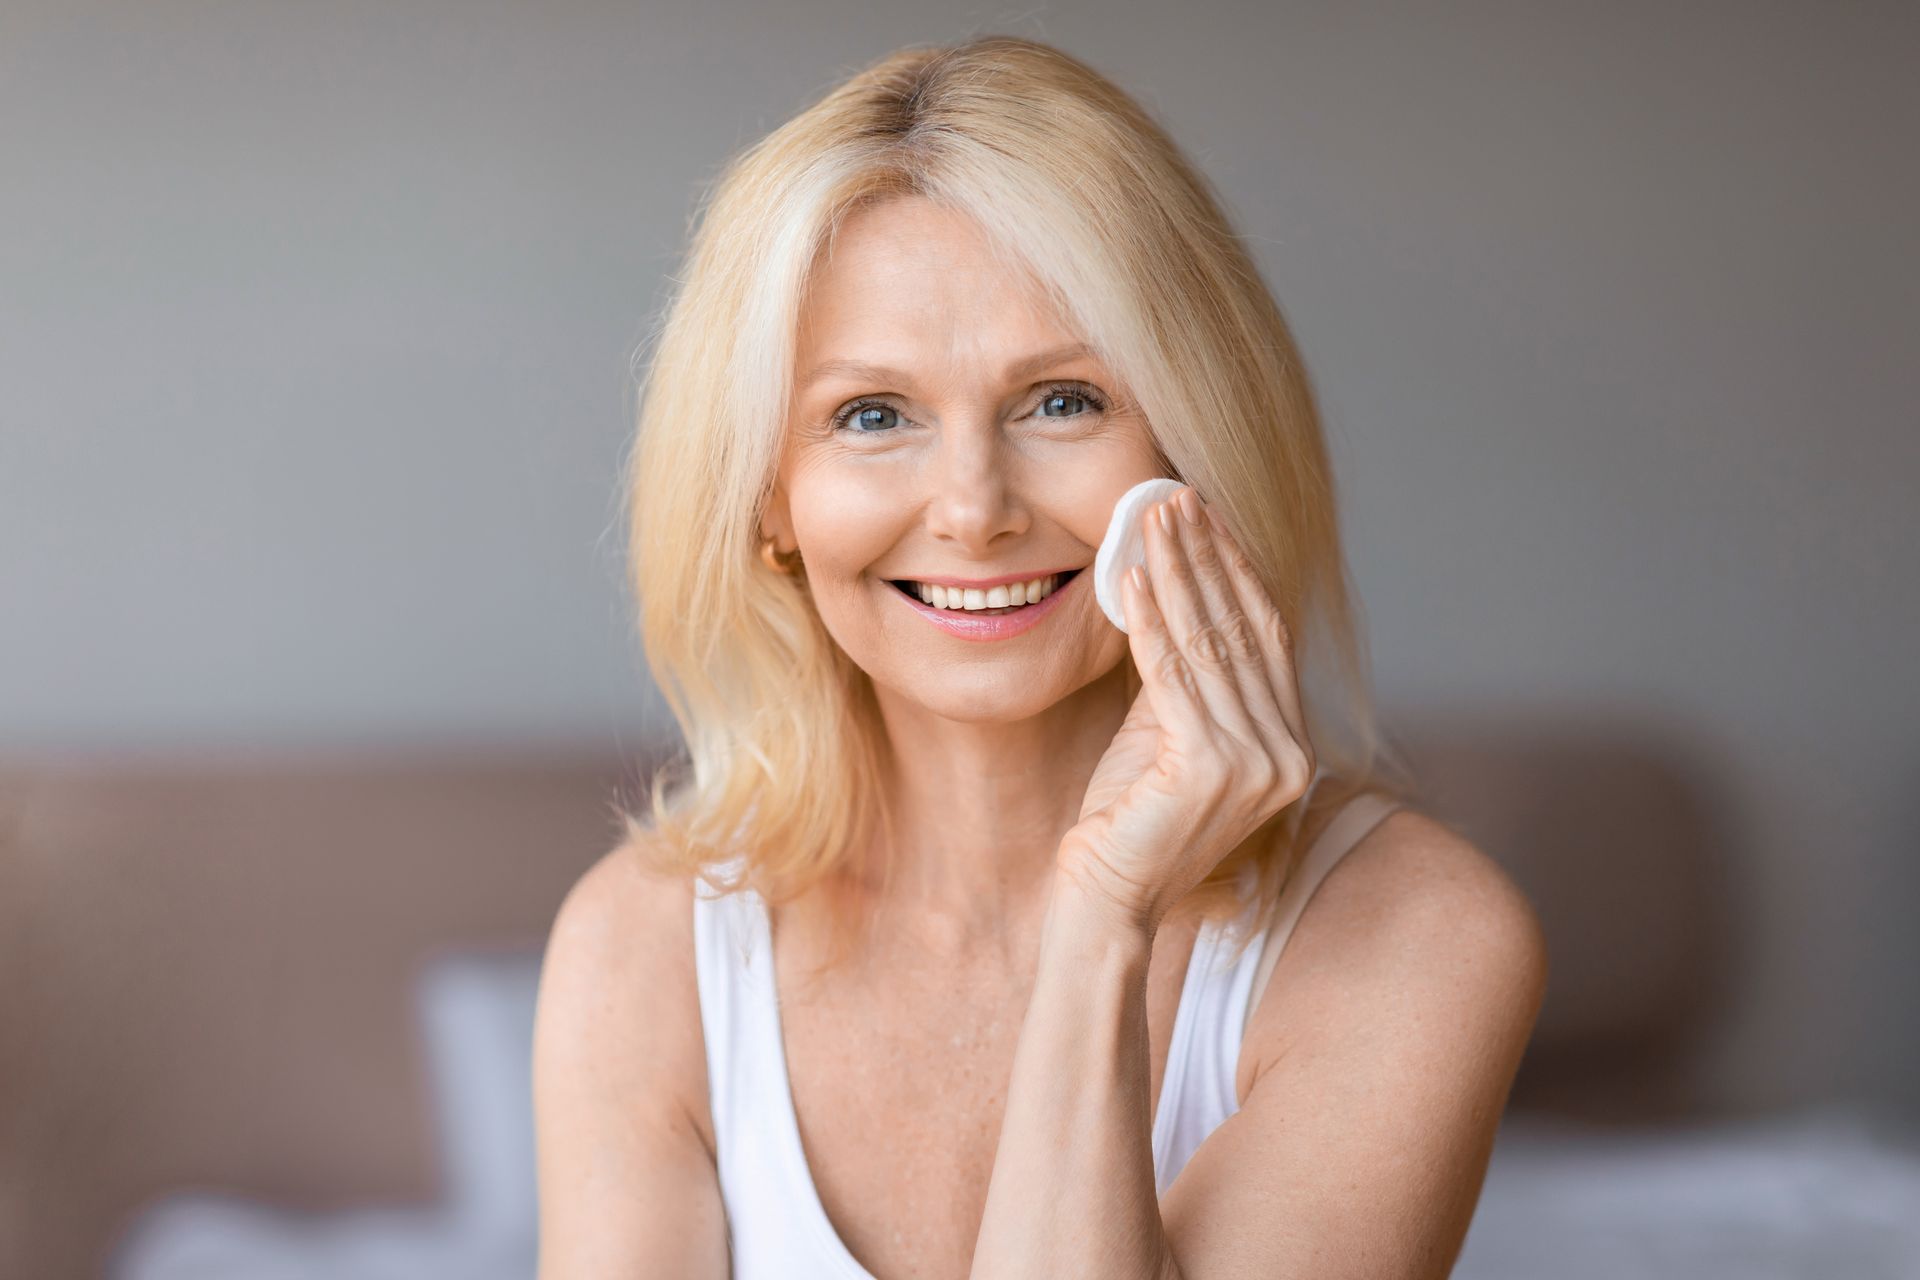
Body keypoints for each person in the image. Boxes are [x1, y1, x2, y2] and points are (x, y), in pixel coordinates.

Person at [532, 34, 1547, 1280]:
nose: (974, 507)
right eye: (871, 414)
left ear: (1194, 440)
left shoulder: (1415, 935)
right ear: (769, 502)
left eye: (1063, 399)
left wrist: (1100, 917)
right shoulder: (641, 952)